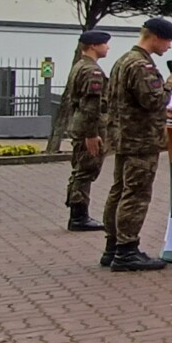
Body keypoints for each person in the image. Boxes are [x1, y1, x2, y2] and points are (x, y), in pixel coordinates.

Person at [98, 18, 172, 271]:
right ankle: (127, 251)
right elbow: (152, 99)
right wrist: (171, 86)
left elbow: (128, 101)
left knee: (119, 191)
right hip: (141, 141)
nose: (169, 46)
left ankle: (113, 247)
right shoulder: (142, 65)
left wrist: (162, 112)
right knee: (135, 194)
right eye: (168, 41)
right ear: (155, 37)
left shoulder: (123, 60)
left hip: (124, 137)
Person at [62, 30, 111, 232]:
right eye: (105, 43)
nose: (108, 47)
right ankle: (79, 216)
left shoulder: (79, 66)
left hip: (79, 124)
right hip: (88, 127)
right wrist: (92, 134)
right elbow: (91, 105)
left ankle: (78, 213)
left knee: (80, 169)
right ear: (93, 46)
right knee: (86, 170)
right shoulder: (92, 71)